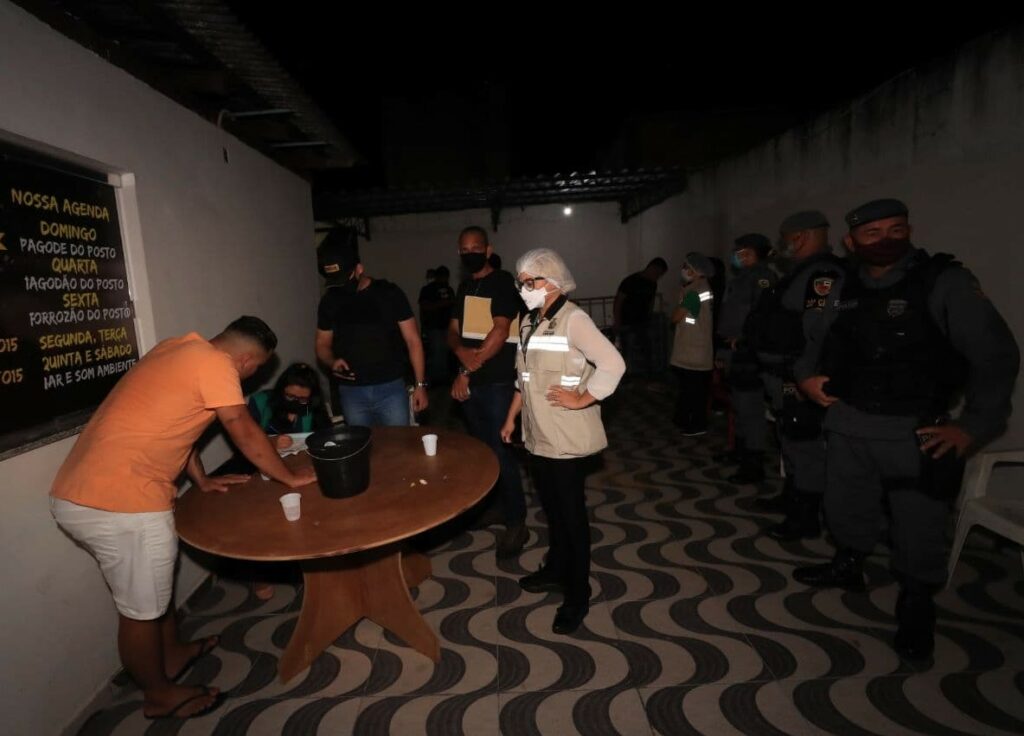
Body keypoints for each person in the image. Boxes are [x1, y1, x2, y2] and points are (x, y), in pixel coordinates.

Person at [50, 317, 316, 720]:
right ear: (247, 361)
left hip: (87, 490)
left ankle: (172, 654)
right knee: (141, 610)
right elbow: (242, 428)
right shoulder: (217, 366)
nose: (251, 376)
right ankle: (159, 695)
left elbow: (179, 427)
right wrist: (289, 477)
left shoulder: (176, 349)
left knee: (154, 592)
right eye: (256, 369)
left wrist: (201, 479)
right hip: (120, 502)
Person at [793, 199, 1019, 660]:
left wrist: (973, 426)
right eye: (872, 233)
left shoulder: (943, 282)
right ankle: (848, 562)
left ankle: (917, 603)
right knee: (845, 506)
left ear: (910, 230)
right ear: (851, 241)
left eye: (896, 230)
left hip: (914, 429)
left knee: (919, 524)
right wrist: (805, 378)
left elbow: (996, 355)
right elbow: (813, 339)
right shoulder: (842, 284)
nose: (886, 240)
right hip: (849, 421)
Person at [501, 248, 625, 634]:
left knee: (571, 517)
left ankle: (578, 593)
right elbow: (523, 377)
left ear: (552, 281)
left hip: (566, 437)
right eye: (521, 282)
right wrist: (511, 418)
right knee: (552, 510)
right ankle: (556, 569)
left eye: (531, 281)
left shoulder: (574, 320)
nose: (524, 288)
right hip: (537, 435)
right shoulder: (527, 321)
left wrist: (584, 397)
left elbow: (614, 364)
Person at [743, 211, 844, 538]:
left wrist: (804, 375)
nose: (783, 245)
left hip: (802, 377)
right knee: (789, 439)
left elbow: (817, 330)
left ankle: (805, 517)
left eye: (786, 238)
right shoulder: (799, 271)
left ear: (800, 237)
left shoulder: (822, 274)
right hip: (783, 374)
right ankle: (792, 498)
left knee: (805, 445)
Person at [449, 225, 528, 557]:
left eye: (476, 248)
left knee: (502, 452)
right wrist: (460, 353)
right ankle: (496, 507)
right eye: (465, 250)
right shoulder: (465, 286)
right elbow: (453, 331)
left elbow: (500, 331)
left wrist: (466, 371)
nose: (471, 254)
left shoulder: (502, 282)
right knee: (484, 453)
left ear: (488, 249)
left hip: (496, 381)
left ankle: (517, 522)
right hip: (473, 382)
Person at [314, 228, 428, 426]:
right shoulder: (330, 301)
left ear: (359, 269)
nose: (341, 286)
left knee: (397, 442)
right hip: (352, 391)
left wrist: (420, 385)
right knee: (362, 443)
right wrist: (332, 361)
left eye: (345, 278)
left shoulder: (389, 294)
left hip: (391, 387)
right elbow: (321, 344)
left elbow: (413, 341)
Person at [714, 234, 777, 482]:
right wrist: (723, 350)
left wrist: (743, 342)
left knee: (750, 409)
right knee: (739, 405)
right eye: (737, 252)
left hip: (750, 352)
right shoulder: (740, 279)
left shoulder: (763, 279)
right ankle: (740, 451)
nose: (738, 256)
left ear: (755, 254)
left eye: (743, 252)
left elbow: (763, 318)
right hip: (734, 351)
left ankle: (754, 462)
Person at [669, 253, 716, 436]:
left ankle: (697, 424)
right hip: (696, 348)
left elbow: (676, 317)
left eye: (686, 267)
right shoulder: (702, 287)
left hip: (693, 351)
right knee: (691, 390)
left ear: (696, 270)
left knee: (693, 392)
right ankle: (683, 418)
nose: (684, 270)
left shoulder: (695, 291)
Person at [613, 257, 668, 376]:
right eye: (657, 273)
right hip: (627, 322)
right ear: (652, 268)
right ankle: (628, 377)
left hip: (642, 323)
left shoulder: (652, 284)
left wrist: (649, 317)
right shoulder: (631, 281)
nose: (657, 277)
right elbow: (618, 302)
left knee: (646, 351)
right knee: (627, 352)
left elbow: (651, 301)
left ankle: (647, 376)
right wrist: (617, 321)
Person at [418, 265, 456, 384]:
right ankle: (436, 379)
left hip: (447, 326)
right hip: (434, 326)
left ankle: (443, 378)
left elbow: (454, 306)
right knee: (436, 353)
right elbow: (425, 306)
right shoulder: (428, 289)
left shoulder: (449, 290)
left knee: (445, 353)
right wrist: (442, 304)